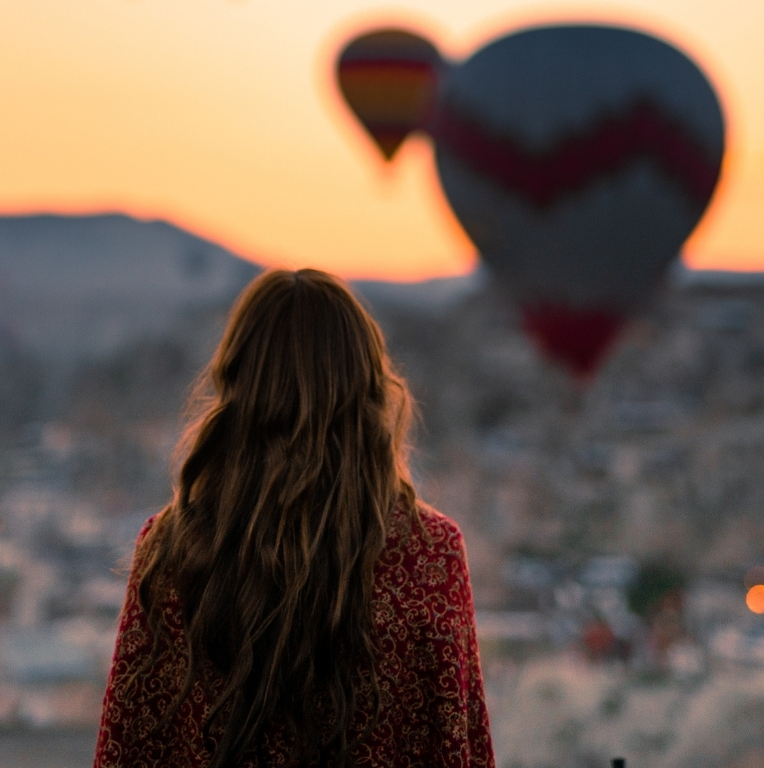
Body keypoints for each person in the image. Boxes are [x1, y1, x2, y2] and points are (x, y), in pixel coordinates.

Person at [93, 269, 494, 768]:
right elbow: (458, 747)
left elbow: (126, 751)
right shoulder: (431, 553)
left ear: (239, 388)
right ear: (367, 390)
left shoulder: (173, 548)